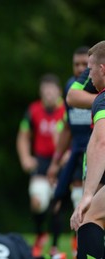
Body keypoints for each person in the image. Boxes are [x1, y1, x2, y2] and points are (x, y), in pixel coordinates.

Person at [45, 46, 90, 256]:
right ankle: (60, 247)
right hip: (75, 150)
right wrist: (55, 161)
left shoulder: (98, 87)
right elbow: (67, 127)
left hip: (94, 151)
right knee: (58, 198)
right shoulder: (70, 86)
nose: (80, 68)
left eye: (85, 64)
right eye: (76, 64)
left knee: (84, 201)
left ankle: (81, 246)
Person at [16, 74, 66, 257]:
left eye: (52, 91)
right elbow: (23, 135)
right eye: (45, 91)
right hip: (41, 161)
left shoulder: (67, 109)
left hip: (60, 162)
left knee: (56, 205)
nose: (49, 95)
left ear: (59, 92)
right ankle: (40, 235)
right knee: (37, 202)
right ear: (41, 92)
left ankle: (54, 247)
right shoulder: (34, 109)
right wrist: (25, 158)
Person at [70, 40, 105, 259]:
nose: (88, 76)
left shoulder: (102, 100)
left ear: (102, 69)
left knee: (88, 216)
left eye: (90, 69)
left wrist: (87, 195)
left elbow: (101, 141)